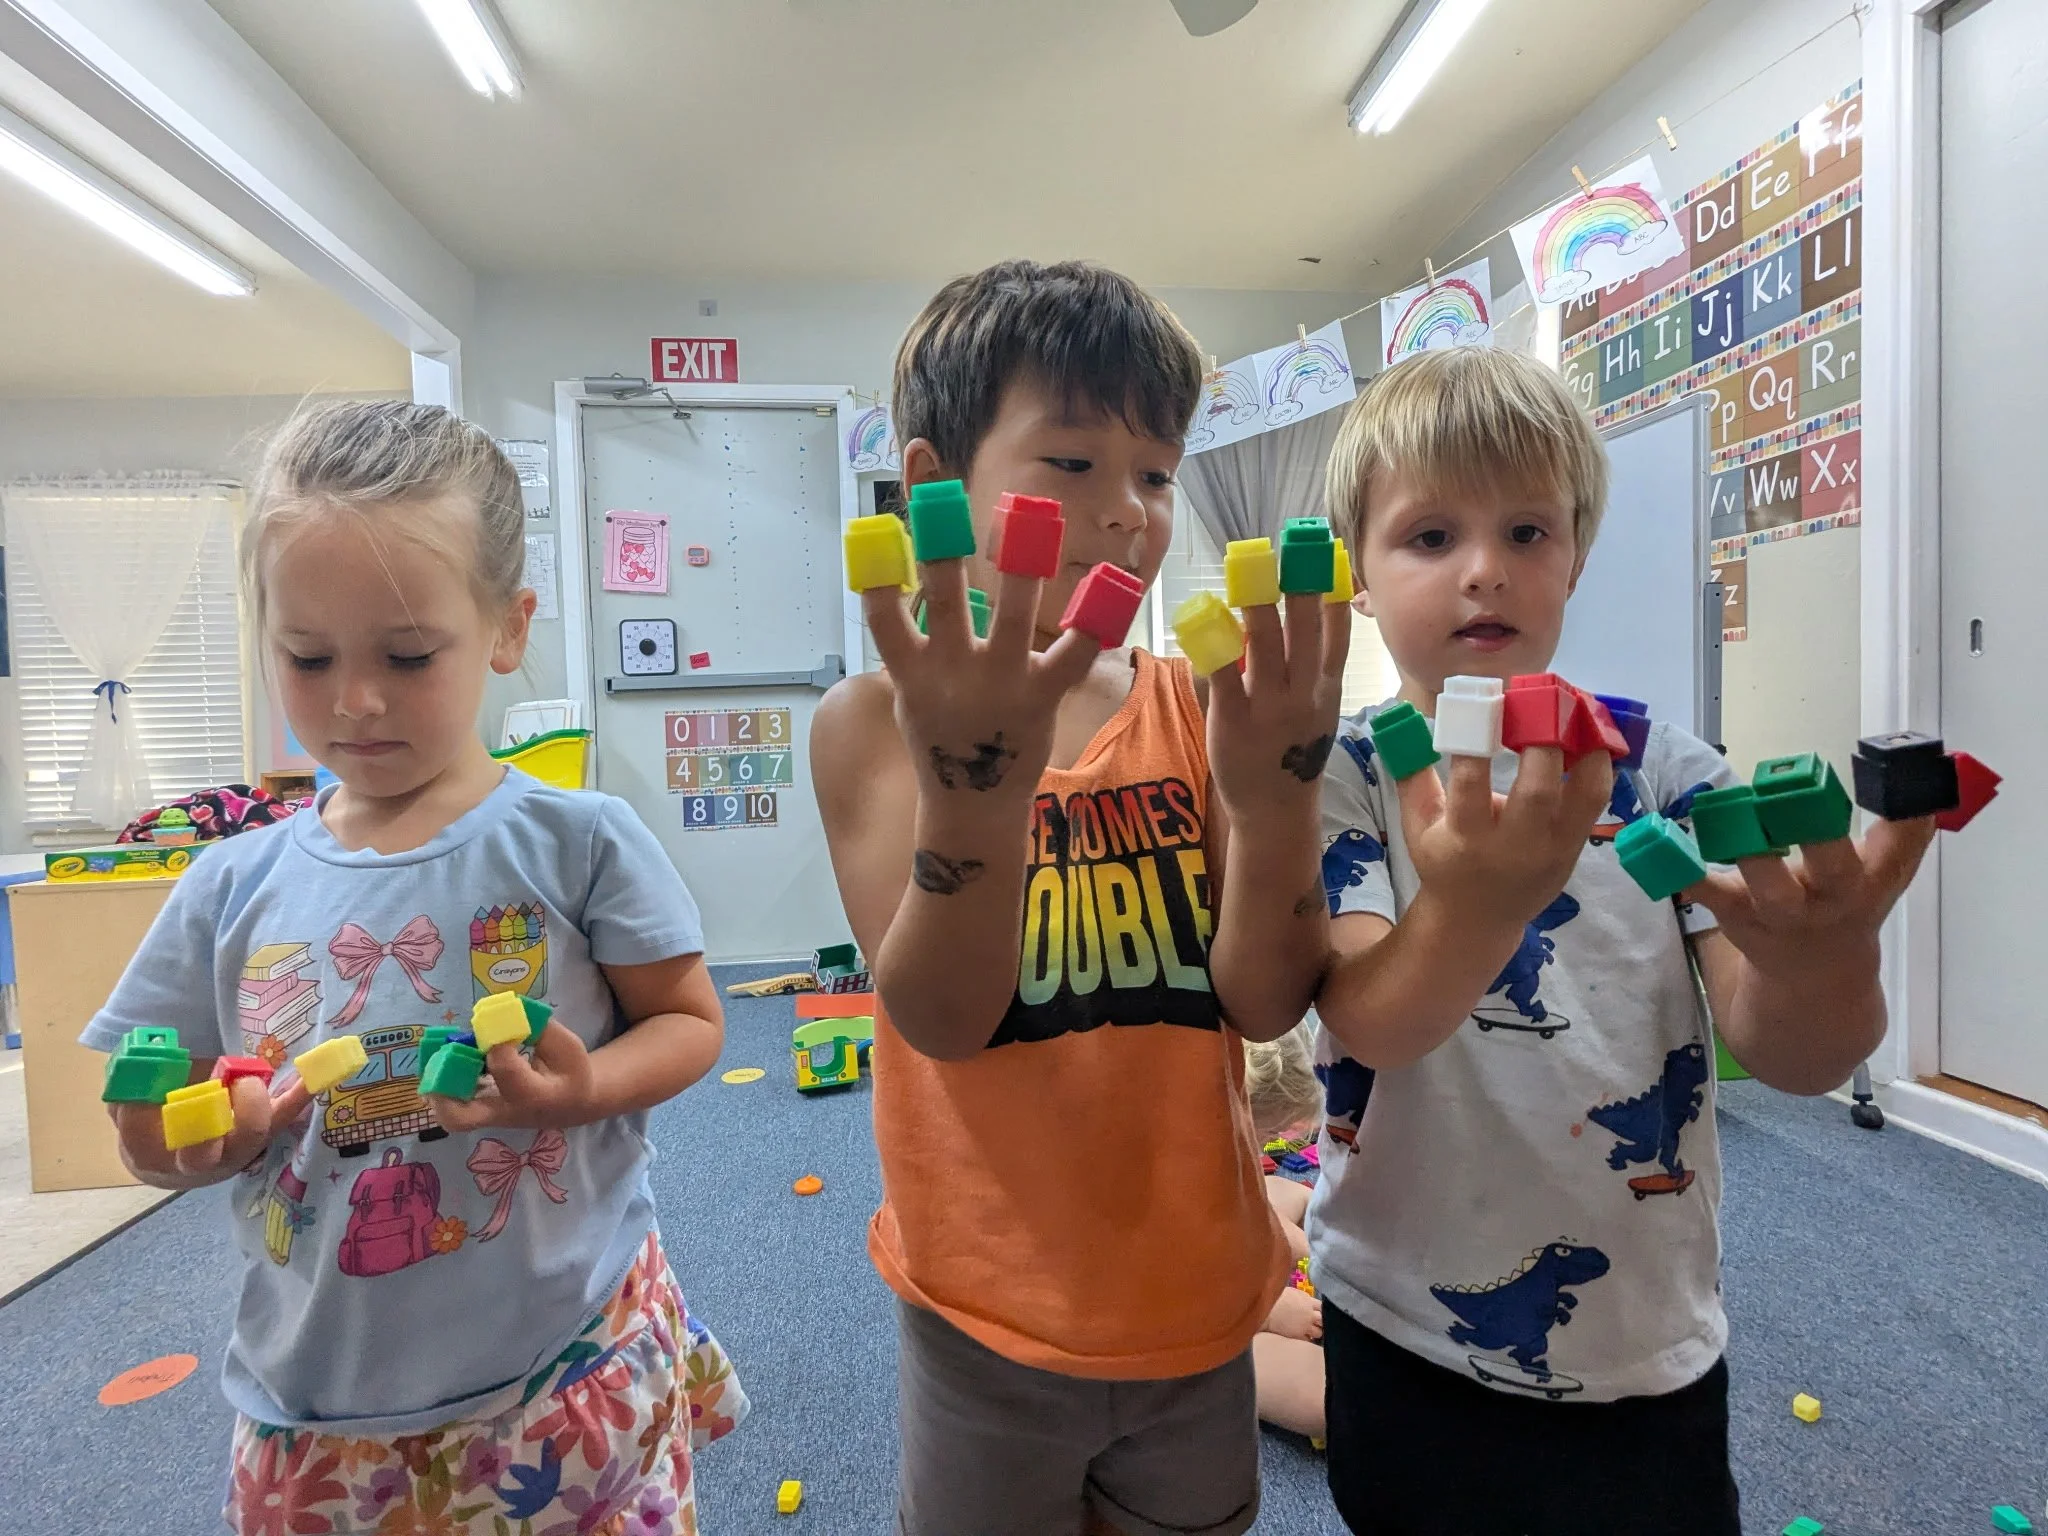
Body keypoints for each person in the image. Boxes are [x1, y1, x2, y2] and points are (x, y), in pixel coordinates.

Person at [85, 401, 745, 1536]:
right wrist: (204, 1137)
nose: (354, 699)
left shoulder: (576, 842)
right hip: (320, 1403)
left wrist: (581, 1088)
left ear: (504, 627)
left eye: (406, 655)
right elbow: (153, 1132)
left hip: (564, 1364)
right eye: (306, 656)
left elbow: (689, 1021)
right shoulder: (225, 886)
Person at [1307, 346, 1936, 1536]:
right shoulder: (1349, 779)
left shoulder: (1663, 773)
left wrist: (1823, 959)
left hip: (1641, 1337)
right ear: (1359, 573)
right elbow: (1369, 1017)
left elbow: (1796, 1058)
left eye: (1527, 534)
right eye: (1429, 537)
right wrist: (1481, 902)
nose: (1483, 571)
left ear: (1574, 559)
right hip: (1397, 1315)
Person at [811, 259, 1349, 1536]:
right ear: (936, 479)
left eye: (1155, 474)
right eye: (1070, 464)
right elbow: (940, 1017)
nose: (1126, 513)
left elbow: (1263, 994)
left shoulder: (1194, 705)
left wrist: (1276, 804)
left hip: (1194, 1292)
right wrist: (975, 790)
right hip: (986, 1310)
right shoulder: (866, 727)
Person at [1243, 1024, 1326, 1440]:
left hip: (1221, 1256)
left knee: (1272, 1196)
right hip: (1166, 1328)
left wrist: (1299, 1243)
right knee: (1319, 1399)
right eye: (1264, 1135)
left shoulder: (1217, 1154)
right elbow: (1160, 1292)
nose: (1267, 1145)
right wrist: (1267, 1310)